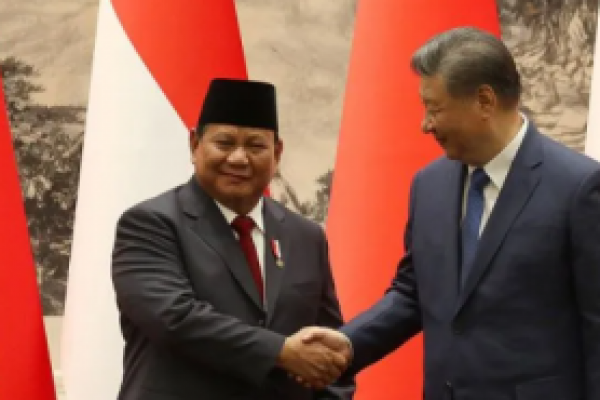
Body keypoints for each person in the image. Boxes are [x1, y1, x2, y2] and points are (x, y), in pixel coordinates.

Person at [301, 27, 600, 399]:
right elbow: (413, 293)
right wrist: (347, 343)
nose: (425, 124)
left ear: (485, 101)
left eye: (434, 108)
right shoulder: (430, 185)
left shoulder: (579, 187)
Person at [111, 78, 355, 400]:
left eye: (256, 147)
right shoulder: (150, 224)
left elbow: (329, 341)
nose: (239, 159)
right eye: (224, 144)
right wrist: (281, 351)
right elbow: (175, 318)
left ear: (277, 153)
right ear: (194, 145)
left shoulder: (305, 236)